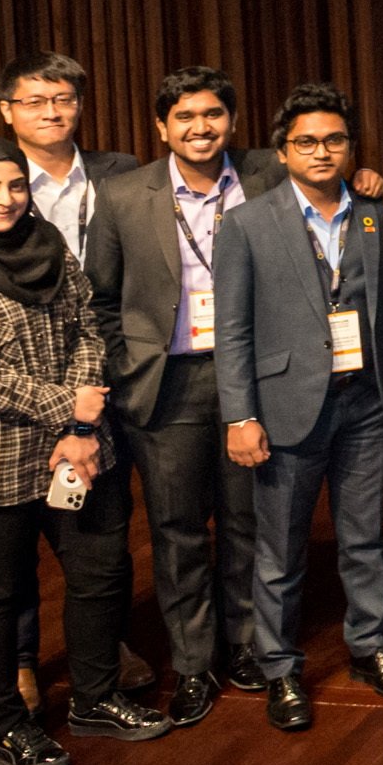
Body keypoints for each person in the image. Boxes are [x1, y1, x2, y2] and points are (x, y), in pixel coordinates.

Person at [0, 141, 167, 765]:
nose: (6, 199)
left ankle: (96, 698)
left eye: (15, 186)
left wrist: (80, 421)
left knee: (101, 572)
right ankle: (3, 728)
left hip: (74, 444)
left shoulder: (48, 243)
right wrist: (67, 408)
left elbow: (86, 329)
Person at [219, 85, 383, 730]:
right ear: (283, 151)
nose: (322, 151)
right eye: (306, 141)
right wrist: (239, 415)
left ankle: (370, 646)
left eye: (335, 140)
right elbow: (233, 332)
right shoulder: (248, 224)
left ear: (350, 147)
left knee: (367, 537)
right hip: (285, 406)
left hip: (367, 401)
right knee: (280, 549)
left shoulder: (374, 213)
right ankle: (278, 667)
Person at [79, 65, 264, 722]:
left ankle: (244, 644)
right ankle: (193, 662)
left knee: (247, 521)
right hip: (167, 384)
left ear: (232, 121)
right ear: (161, 127)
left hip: (252, 378)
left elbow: (336, 187)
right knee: (178, 528)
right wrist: (127, 365)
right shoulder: (125, 195)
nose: (200, 126)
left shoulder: (267, 176)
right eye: (184, 116)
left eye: (212, 113)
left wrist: (366, 178)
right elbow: (98, 296)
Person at [0, 53, 136, 261]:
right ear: (7, 111)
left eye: (64, 100)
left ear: (80, 104)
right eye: (34, 102)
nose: (51, 113)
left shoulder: (122, 170)